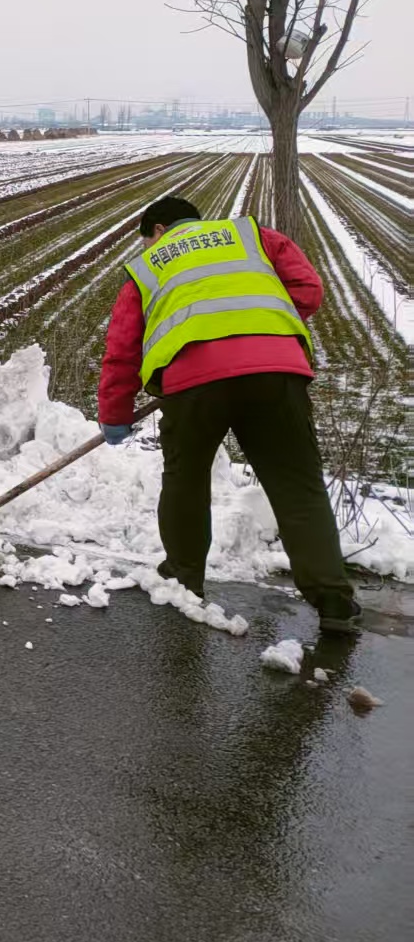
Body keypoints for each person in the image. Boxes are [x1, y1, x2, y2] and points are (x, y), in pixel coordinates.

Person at [98, 195, 359, 634]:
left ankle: (184, 580)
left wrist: (115, 414)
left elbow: (122, 348)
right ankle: (333, 601)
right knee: (298, 486)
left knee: (186, 479)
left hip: (192, 381)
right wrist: (260, 329)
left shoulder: (147, 266)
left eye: (146, 240)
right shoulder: (253, 236)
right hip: (277, 372)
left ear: (157, 231)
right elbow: (308, 289)